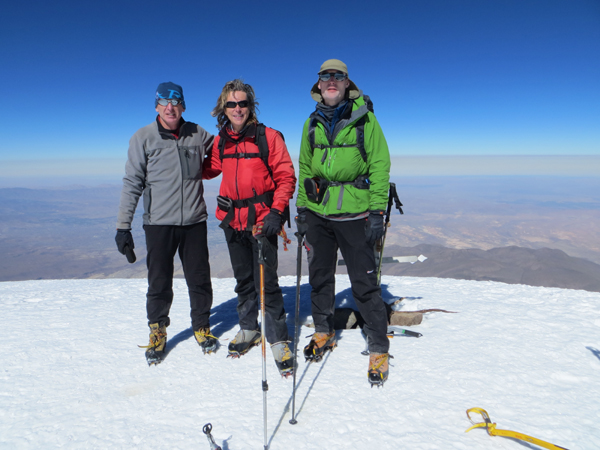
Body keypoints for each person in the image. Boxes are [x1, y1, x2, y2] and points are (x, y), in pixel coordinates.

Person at [295, 60, 392, 386]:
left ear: (347, 82)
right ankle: (323, 331)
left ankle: (378, 345)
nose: (331, 81)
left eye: (337, 76)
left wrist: (377, 211)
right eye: (325, 76)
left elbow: (379, 165)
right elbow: (305, 169)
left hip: (355, 214)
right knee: (319, 277)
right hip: (320, 215)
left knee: (363, 283)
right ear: (319, 85)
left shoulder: (365, 120)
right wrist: (302, 211)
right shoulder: (312, 124)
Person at [115, 82, 217, 365]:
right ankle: (157, 331)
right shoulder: (144, 137)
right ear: (157, 106)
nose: (170, 107)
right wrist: (123, 227)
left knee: (199, 279)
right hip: (159, 224)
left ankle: (201, 327)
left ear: (183, 105)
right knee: (159, 281)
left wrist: (257, 135)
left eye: (176, 101)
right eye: (164, 102)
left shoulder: (197, 133)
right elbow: (132, 182)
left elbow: (225, 148)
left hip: (195, 221)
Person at [203, 79, 297, 377]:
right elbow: (210, 168)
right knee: (244, 280)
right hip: (232, 220)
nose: (238, 108)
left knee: (266, 282)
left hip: (261, 221)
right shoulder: (222, 140)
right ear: (224, 108)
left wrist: (276, 212)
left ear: (250, 106)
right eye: (231, 104)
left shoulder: (267, 137)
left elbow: (286, 177)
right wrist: (182, 158)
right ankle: (248, 329)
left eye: (243, 103)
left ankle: (279, 339)